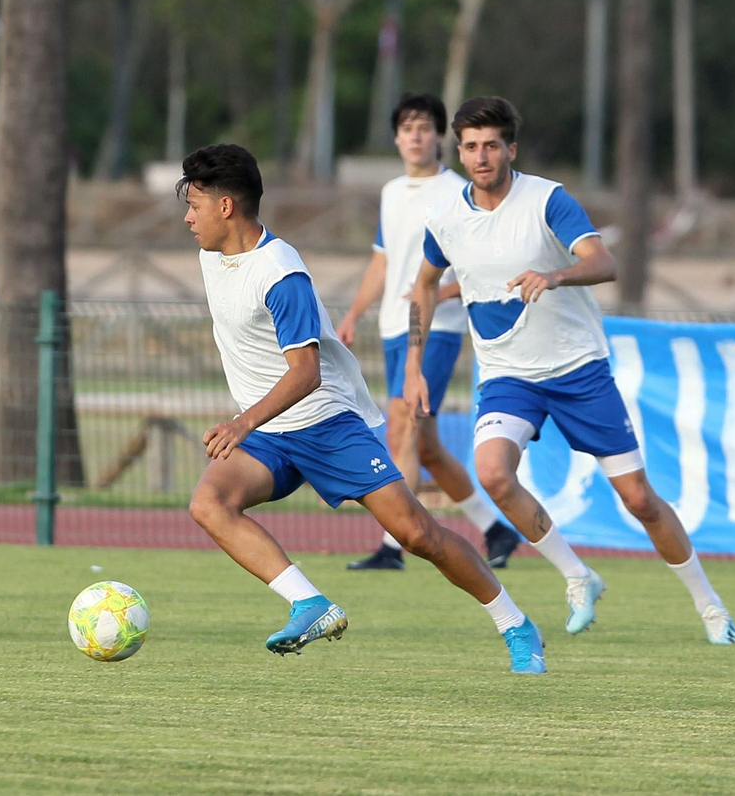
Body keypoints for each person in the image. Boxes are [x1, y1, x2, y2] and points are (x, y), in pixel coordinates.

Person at [179, 143, 545, 673]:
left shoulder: (282, 275)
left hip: (327, 422)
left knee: (418, 534)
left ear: (226, 206)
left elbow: (307, 373)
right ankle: (310, 604)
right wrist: (252, 424)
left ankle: (516, 624)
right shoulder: (210, 255)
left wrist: (242, 422)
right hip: (270, 433)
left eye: (195, 205)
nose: (188, 218)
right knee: (209, 504)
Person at [407, 97, 735, 645]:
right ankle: (577, 575)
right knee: (493, 473)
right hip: (507, 376)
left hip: (577, 370)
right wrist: (414, 367)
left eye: (492, 144)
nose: (481, 156)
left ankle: (711, 607)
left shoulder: (547, 200)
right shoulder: (446, 220)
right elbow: (423, 284)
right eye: (470, 146)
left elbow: (603, 262)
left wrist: (556, 275)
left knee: (639, 500)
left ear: (510, 149)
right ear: (460, 153)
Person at [336, 93, 521, 571]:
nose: (415, 137)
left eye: (424, 128)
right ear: (396, 138)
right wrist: (355, 313)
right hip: (394, 328)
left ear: (440, 136)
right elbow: (382, 258)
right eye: (406, 129)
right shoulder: (392, 192)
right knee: (427, 446)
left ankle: (393, 545)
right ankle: (495, 528)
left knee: (401, 424)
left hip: (439, 330)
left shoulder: (457, 192)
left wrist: (438, 294)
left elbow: (484, 264)